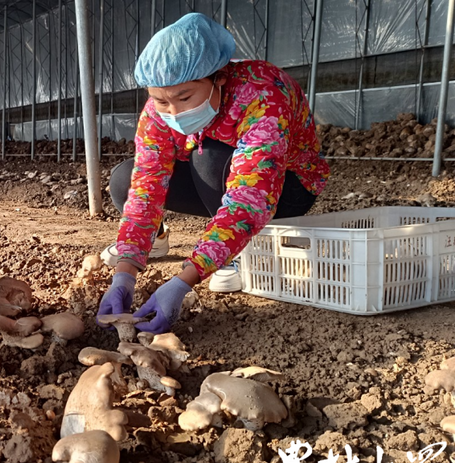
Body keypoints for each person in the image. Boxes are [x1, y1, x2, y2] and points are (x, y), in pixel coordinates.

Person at [97, 13, 329, 334]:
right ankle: (157, 240)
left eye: (185, 97)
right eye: (161, 100)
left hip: (286, 187)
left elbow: (249, 197)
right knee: (125, 178)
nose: (173, 112)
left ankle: (233, 254)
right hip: (218, 179)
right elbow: (147, 182)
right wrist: (126, 271)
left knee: (209, 156)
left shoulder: (263, 92)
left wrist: (185, 279)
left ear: (218, 77)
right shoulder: (159, 109)